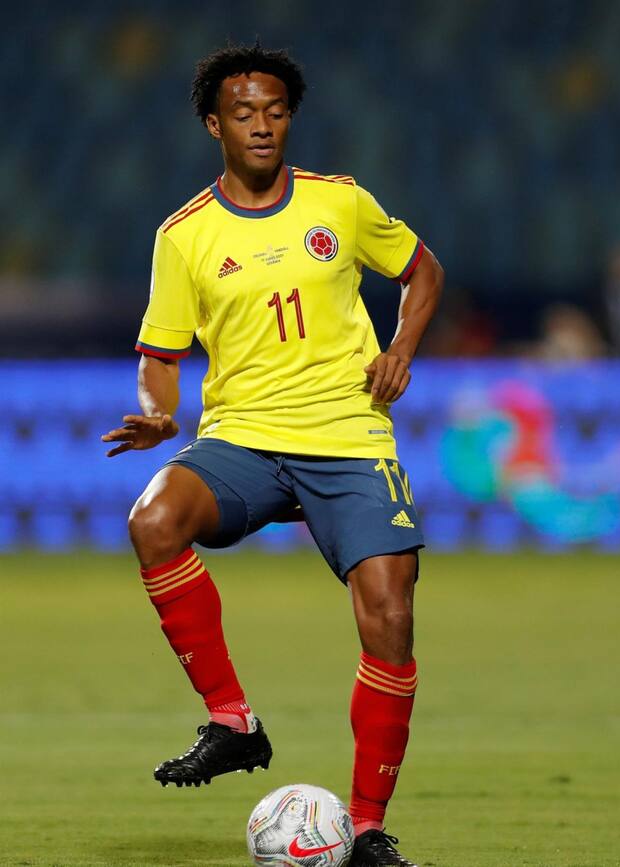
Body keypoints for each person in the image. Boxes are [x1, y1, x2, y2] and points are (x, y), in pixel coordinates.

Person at [102, 42, 443, 867]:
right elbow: (161, 355)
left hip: (346, 434)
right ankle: (233, 721)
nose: (262, 125)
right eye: (244, 113)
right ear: (213, 125)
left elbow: (423, 270)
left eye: (276, 111)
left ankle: (366, 828)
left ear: (289, 119)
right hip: (243, 437)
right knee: (154, 518)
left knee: (392, 615)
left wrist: (400, 349)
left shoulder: (340, 202)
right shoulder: (184, 235)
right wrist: (158, 412)